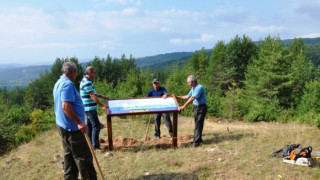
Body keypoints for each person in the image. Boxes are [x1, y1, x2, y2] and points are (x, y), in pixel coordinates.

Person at [53, 62, 97, 180]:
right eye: (76, 72)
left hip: (63, 126)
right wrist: (79, 122)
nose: (76, 75)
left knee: (70, 156)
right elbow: (65, 106)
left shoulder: (59, 82)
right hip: (72, 129)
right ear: (73, 71)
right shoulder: (67, 84)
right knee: (84, 158)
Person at [173, 75, 207, 147]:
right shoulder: (193, 88)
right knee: (198, 124)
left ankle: (195, 143)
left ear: (192, 82)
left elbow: (192, 98)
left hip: (201, 108)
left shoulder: (199, 87)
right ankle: (199, 139)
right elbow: (187, 96)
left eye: (188, 82)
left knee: (198, 125)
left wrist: (183, 106)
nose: (188, 84)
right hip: (196, 108)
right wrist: (177, 97)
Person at [80, 66, 108, 152]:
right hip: (90, 108)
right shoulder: (87, 82)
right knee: (96, 126)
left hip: (88, 107)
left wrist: (101, 96)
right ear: (89, 73)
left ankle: (89, 144)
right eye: (94, 72)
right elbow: (92, 96)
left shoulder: (86, 81)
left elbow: (92, 93)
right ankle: (95, 147)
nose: (95, 74)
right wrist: (102, 105)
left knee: (90, 126)